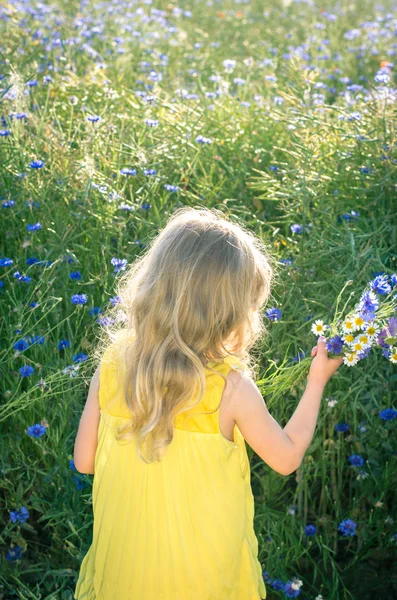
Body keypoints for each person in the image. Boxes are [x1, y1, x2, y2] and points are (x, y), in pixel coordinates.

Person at [73, 207, 343, 599]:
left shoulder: (114, 365)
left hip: (127, 571)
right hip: (203, 576)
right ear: (228, 313)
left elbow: (84, 461)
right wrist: (316, 381)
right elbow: (286, 458)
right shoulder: (229, 390)